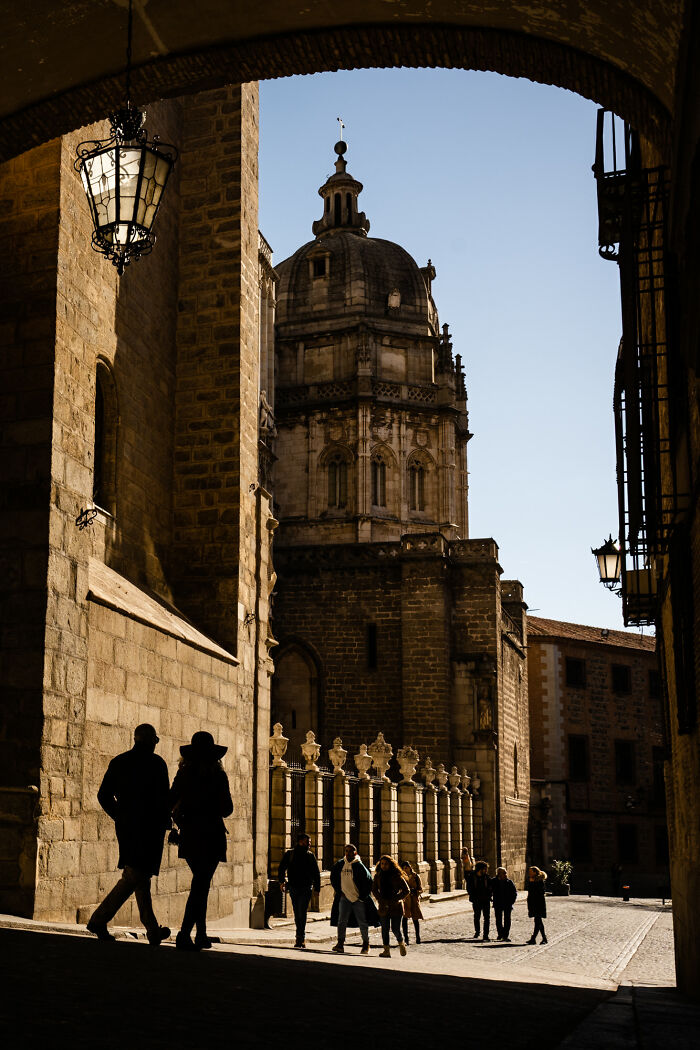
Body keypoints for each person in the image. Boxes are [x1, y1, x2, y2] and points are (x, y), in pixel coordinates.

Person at [87, 723, 171, 945]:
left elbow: (104, 795)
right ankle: (98, 920)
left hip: (129, 827)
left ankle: (152, 929)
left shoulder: (120, 762)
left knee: (140, 876)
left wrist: (120, 816)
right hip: (150, 829)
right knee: (134, 875)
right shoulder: (157, 764)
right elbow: (165, 800)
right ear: (152, 741)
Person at [170, 731, 233, 951]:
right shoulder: (218, 776)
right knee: (201, 885)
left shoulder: (184, 774)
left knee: (201, 884)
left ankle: (200, 934)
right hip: (212, 835)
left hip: (190, 834)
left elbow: (170, 801)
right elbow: (228, 809)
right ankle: (186, 933)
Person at [330, 843, 380, 954]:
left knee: (362, 921)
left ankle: (366, 944)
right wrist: (339, 892)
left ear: (355, 853)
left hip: (358, 899)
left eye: (350, 851)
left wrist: (362, 897)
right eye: (346, 851)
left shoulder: (359, 866)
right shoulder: (340, 864)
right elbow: (333, 878)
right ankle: (340, 943)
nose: (348, 853)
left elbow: (368, 882)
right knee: (341, 921)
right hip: (344, 898)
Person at [278, 832, 321, 948]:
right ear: (301, 842)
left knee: (302, 911)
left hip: (306, 888)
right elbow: (282, 868)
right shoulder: (290, 854)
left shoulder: (310, 856)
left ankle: (300, 938)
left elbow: (316, 873)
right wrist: (282, 881)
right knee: (297, 913)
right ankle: (299, 936)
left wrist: (317, 888)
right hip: (293, 887)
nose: (310, 844)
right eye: (308, 842)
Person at [372, 855, 409, 958]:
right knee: (384, 928)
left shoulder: (397, 876)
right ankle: (386, 950)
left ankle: (401, 943)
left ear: (390, 865)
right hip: (383, 906)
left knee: (395, 928)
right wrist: (379, 898)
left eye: (386, 864)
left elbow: (407, 890)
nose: (384, 866)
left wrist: (397, 898)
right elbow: (374, 889)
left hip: (395, 906)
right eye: (382, 864)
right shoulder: (378, 876)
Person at [466, 860, 493, 941]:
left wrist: (489, 895)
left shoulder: (487, 877)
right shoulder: (472, 877)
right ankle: (477, 931)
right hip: (476, 900)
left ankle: (486, 935)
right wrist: (473, 895)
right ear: (480, 869)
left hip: (486, 900)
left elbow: (490, 887)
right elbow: (469, 888)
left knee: (487, 918)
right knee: (477, 916)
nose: (486, 871)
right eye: (485, 869)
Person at [399, 859, 424, 944]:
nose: (405, 869)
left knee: (415, 919)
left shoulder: (416, 876)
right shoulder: (401, 877)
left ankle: (418, 937)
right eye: (404, 868)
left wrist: (416, 892)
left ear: (410, 868)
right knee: (404, 919)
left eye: (407, 868)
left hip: (414, 900)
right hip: (405, 900)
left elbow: (421, 889)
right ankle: (406, 938)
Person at [491, 865, 518, 941]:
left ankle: (505, 935)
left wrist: (511, 901)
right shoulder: (494, 881)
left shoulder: (509, 882)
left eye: (506, 873)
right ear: (499, 874)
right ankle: (500, 934)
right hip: (498, 903)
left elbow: (514, 893)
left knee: (507, 920)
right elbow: (489, 890)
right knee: (498, 920)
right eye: (504, 873)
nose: (506, 874)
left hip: (507, 904)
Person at [526, 866, 548, 944]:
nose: (529, 873)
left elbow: (539, 892)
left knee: (537, 921)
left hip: (538, 903)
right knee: (538, 921)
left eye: (531, 871)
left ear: (535, 872)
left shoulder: (539, 881)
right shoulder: (531, 880)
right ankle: (543, 938)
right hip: (533, 903)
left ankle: (534, 938)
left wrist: (532, 883)